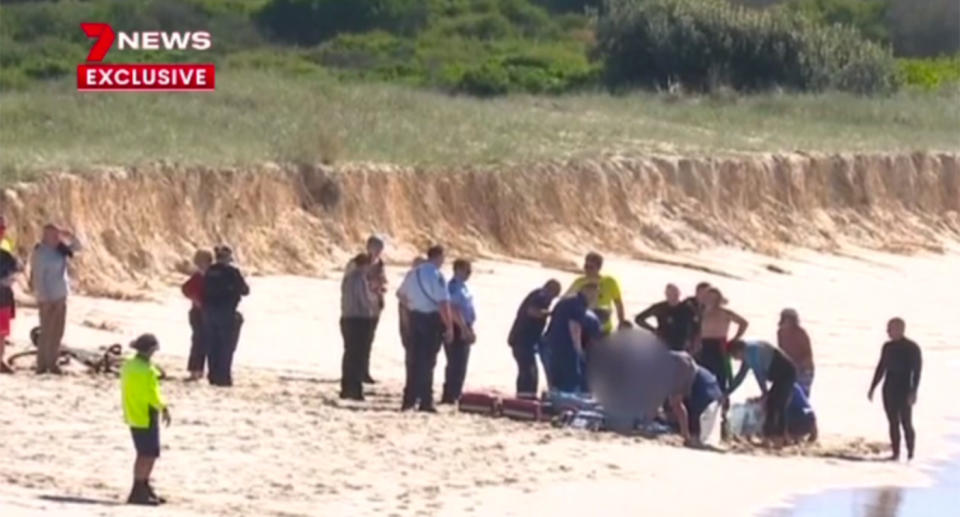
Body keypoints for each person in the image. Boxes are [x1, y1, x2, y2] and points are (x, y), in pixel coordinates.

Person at [589, 329, 698, 444]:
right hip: (686, 362)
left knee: (660, 399)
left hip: (678, 364)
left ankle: (647, 427)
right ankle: (685, 434)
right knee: (675, 403)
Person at [397, 245, 454, 412]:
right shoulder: (437, 275)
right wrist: (449, 327)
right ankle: (425, 400)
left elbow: (401, 294)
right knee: (428, 361)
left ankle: (409, 399)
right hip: (430, 319)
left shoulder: (413, 273)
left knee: (414, 360)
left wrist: (413, 306)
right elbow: (443, 303)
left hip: (415, 317)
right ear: (438, 257)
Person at [120, 334, 172, 506]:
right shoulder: (147, 371)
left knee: (143, 452)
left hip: (133, 412)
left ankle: (142, 487)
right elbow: (152, 394)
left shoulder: (129, 365)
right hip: (146, 413)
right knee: (148, 454)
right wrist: (163, 407)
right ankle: (138, 489)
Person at [29, 223, 83, 375]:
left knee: (57, 332)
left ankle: (53, 363)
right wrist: (44, 298)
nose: (56, 238)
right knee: (46, 332)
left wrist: (70, 235)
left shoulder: (60, 250)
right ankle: (42, 365)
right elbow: (39, 278)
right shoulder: (41, 252)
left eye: (57, 235)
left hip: (60, 295)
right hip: (47, 297)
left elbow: (78, 247)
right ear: (45, 236)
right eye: (53, 235)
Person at [868, 318, 922, 461]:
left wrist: (914, 391)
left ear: (900, 329)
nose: (887, 331)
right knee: (892, 422)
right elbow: (881, 368)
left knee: (906, 422)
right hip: (889, 388)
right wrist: (872, 387)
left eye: (890, 328)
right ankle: (896, 453)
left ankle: (910, 453)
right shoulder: (887, 347)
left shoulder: (912, 348)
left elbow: (917, 372)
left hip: (904, 389)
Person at [728, 339, 798, 445]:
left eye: (735, 357)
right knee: (772, 404)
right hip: (778, 376)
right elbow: (740, 377)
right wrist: (727, 392)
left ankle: (779, 437)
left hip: (786, 372)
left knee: (777, 404)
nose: (736, 359)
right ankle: (773, 436)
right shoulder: (747, 355)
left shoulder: (751, 351)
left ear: (739, 351)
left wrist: (764, 393)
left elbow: (759, 373)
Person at [202, 246, 249, 387]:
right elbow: (245, 290)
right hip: (226, 313)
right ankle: (223, 377)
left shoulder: (210, 271)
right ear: (227, 257)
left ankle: (213, 375)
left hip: (209, 313)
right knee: (226, 347)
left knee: (212, 346)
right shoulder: (232, 272)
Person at [541, 282, 600, 393]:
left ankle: (555, 400)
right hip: (564, 347)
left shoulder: (566, 301)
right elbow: (574, 326)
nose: (595, 298)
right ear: (588, 292)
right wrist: (579, 350)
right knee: (570, 379)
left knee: (556, 380)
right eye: (595, 295)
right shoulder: (578, 304)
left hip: (549, 344)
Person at [507, 279, 562, 397]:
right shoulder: (540, 296)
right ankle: (526, 395)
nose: (552, 300)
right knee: (529, 370)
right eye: (554, 296)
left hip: (524, 340)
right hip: (522, 339)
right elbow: (532, 311)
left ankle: (523, 394)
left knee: (526, 369)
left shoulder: (538, 295)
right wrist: (550, 313)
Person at [339, 253, 380, 401]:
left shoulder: (348, 277)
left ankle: (346, 387)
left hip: (346, 318)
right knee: (357, 355)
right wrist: (375, 297)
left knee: (349, 354)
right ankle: (355, 389)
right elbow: (364, 300)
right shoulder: (359, 278)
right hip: (358, 319)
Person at [348, 235, 387, 385]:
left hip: (375, 304)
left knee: (368, 340)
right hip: (360, 306)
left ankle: (364, 370)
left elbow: (383, 281)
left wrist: (380, 288)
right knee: (357, 342)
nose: (378, 251)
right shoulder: (360, 262)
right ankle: (357, 371)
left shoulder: (380, 264)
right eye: (376, 247)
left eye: (380, 248)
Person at [696, 287, 748, 394]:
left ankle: (723, 399)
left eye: (714, 299)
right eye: (709, 298)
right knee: (702, 375)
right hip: (703, 345)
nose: (711, 301)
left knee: (722, 375)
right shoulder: (700, 313)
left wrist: (735, 338)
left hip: (719, 344)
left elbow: (743, 323)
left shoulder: (724, 312)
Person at [563, 252, 627, 335]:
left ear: (598, 268)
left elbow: (618, 303)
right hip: (583, 326)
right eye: (586, 266)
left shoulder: (609, 282)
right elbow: (565, 300)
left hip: (603, 326)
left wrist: (621, 321)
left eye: (591, 267)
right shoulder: (579, 282)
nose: (587, 270)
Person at [441, 259, 477, 404]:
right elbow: (453, 309)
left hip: (465, 324)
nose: (469, 274)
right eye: (466, 271)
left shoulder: (463, 287)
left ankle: (455, 392)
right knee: (456, 362)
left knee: (461, 363)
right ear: (457, 270)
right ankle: (450, 394)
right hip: (457, 326)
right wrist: (463, 329)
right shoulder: (453, 287)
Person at [634, 283, 698, 352]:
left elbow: (696, 326)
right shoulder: (660, 308)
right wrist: (653, 330)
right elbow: (639, 319)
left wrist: (692, 342)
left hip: (682, 345)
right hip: (663, 344)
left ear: (679, 294)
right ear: (666, 294)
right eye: (669, 294)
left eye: (675, 293)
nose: (673, 296)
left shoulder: (687, 309)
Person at [181, 250, 213, 381]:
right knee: (198, 340)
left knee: (205, 341)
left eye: (202, 262)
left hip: (208, 312)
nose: (200, 265)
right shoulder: (198, 276)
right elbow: (185, 289)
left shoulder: (211, 276)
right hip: (197, 313)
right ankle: (195, 370)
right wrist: (195, 299)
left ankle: (201, 370)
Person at [778, 308, 814, 396]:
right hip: (789, 367)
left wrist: (799, 366)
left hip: (804, 369)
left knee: (802, 394)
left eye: (792, 319)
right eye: (787, 319)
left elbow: (808, 354)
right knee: (786, 394)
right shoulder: (780, 332)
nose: (790, 322)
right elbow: (781, 351)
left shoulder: (800, 333)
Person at [684, 365, 724, 444]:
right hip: (716, 402)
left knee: (705, 441)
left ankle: (694, 437)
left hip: (706, 405)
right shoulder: (698, 370)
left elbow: (678, 403)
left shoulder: (686, 372)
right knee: (710, 440)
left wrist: (685, 434)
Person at [0, 215, 20, 374]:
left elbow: (15, 270)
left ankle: (0, 360)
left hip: (4, 297)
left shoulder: (6, 253)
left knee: (2, 332)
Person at [682, 281, 711, 353]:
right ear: (696, 292)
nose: (704, 296)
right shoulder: (688, 303)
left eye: (707, 294)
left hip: (700, 340)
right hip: (686, 337)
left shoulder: (708, 306)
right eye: (702, 293)